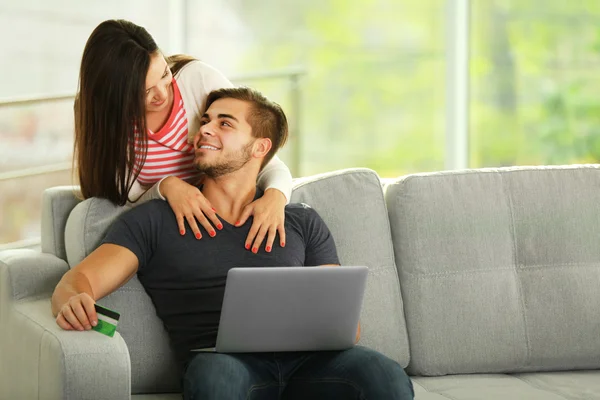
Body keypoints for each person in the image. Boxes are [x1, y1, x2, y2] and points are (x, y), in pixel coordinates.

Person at [52, 87, 414, 399]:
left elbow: (347, 328)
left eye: (224, 123)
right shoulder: (155, 219)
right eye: (205, 121)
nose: (205, 129)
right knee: (216, 381)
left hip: (312, 363)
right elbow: (78, 281)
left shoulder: (301, 220)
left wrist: (336, 326)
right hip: (223, 363)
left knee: (384, 374)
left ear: (260, 147)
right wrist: (73, 299)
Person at [74, 19, 291, 252]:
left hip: (223, 216)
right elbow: (128, 199)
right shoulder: (106, 123)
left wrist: (276, 196)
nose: (162, 94)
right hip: (169, 226)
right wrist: (166, 187)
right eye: (145, 91)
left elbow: (256, 153)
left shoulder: (196, 79)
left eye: (164, 74)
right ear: (113, 95)